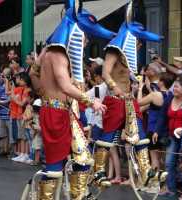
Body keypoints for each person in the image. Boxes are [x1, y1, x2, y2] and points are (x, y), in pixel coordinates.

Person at [29, 1, 115, 199]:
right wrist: (90, 101)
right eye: (83, 36)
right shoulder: (58, 55)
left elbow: (34, 77)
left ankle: (78, 195)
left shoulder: (46, 52)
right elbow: (65, 85)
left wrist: (46, 91)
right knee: (54, 167)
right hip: (56, 113)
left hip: (60, 111)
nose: (84, 41)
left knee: (82, 158)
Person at [94, 1, 167, 189]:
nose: (140, 45)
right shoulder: (113, 50)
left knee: (140, 136)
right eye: (138, 41)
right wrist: (114, 87)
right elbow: (105, 72)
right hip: (115, 100)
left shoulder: (127, 56)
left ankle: (146, 171)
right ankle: (99, 170)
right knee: (108, 137)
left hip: (128, 101)